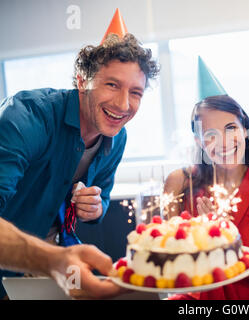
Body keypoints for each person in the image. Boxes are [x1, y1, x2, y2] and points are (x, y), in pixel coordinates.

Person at [0, 30, 159, 299]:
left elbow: (103, 195)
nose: (123, 104)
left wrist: (96, 208)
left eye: (135, 92)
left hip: (54, 258)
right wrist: (54, 260)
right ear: (81, 80)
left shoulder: (116, 136)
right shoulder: (26, 117)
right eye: (112, 85)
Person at [164, 91, 249, 299]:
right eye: (211, 134)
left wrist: (227, 240)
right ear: (199, 142)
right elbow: (168, 265)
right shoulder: (178, 183)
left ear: (245, 131)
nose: (223, 142)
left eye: (231, 128)